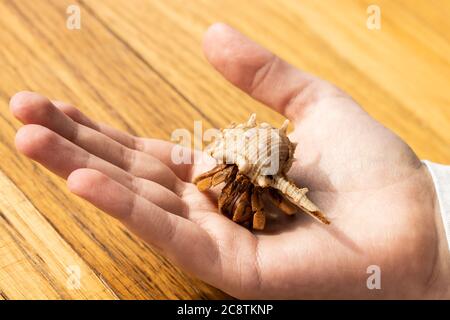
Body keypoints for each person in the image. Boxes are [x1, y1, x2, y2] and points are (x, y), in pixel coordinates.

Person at [9, 23, 450, 299]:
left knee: (251, 206)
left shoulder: (262, 185)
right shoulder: (226, 172)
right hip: (241, 160)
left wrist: (432, 239)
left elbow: (267, 196)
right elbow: (213, 180)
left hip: (256, 166)